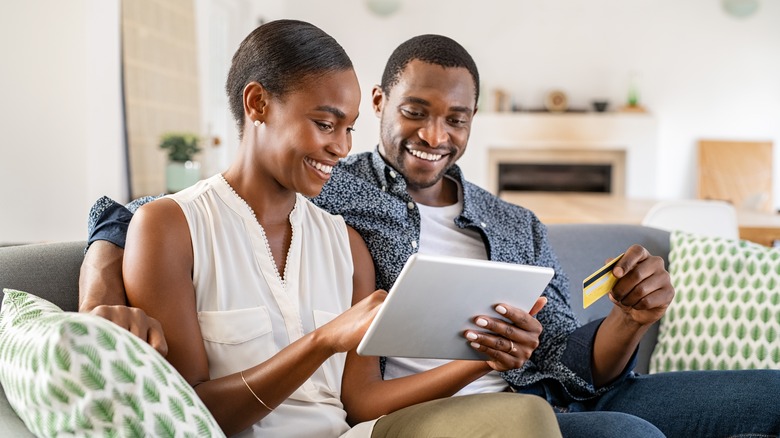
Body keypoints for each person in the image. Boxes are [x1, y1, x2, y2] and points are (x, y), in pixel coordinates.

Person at [80, 32, 780, 438]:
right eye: (416, 111)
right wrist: (101, 287)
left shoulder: (513, 223)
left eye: (458, 119)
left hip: (557, 392)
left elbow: (572, 359)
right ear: (382, 103)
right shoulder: (334, 185)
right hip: (458, 412)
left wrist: (629, 318)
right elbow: (136, 211)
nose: (435, 136)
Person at [88, 19, 562, 438]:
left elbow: (361, 404)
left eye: (350, 128)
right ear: (258, 104)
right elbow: (190, 415)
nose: (340, 147)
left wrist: (486, 357)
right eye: (325, 123)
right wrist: (322, 341)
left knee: (526, 415)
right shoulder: (170, 227)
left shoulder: (348, 244)